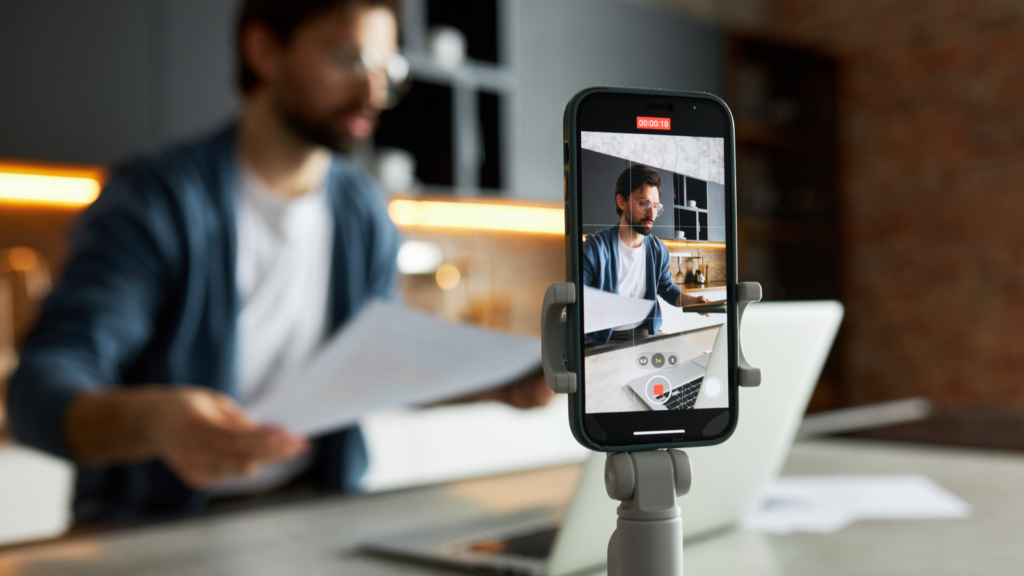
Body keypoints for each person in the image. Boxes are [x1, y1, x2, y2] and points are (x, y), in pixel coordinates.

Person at [6, 0, 551, 524]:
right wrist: (151, 422)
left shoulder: (364, 214)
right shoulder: (158, 200)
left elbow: (375, 368)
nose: (373, 90)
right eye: (348, 59)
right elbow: (39, 389)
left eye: (387, 68)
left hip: (316, 516)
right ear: (264, 50)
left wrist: (497, 382)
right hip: (157, 528)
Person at [582, 164, 707, 347]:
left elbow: (667, 289)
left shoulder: (658, 250)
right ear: (621, 202)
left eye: (656, 206)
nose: (651, 214)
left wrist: (694, 302)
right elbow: (579, 302)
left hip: (644, 334)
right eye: (643, 203)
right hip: (604, 340)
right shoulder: (595, 249)